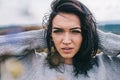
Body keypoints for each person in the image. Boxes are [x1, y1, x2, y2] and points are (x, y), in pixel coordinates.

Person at [0, 0, 120, 80]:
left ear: (86, 34)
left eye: (75, 31)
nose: (66, 40)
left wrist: (99, 38)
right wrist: (42, 37)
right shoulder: (33, 64)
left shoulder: (108, 66)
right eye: (58, 31)